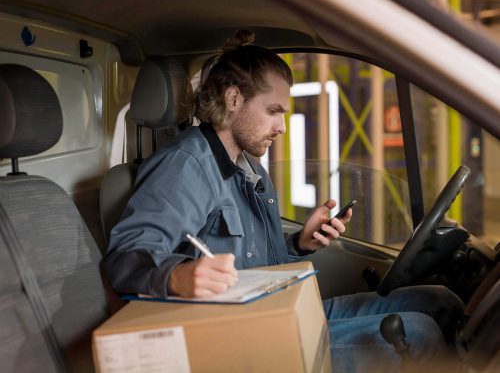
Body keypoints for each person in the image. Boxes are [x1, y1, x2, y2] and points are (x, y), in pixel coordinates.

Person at [104, 30, 463, 372]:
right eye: (273, 111)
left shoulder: (250, 168)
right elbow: (125, 258)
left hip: (279, 307)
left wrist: (299, 244)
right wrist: (177, 276)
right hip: (241, 337)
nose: (282, 126)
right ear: (233, 100)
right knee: (420, 335)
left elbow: (263, 267)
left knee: (440, 302)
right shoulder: (186, 165)